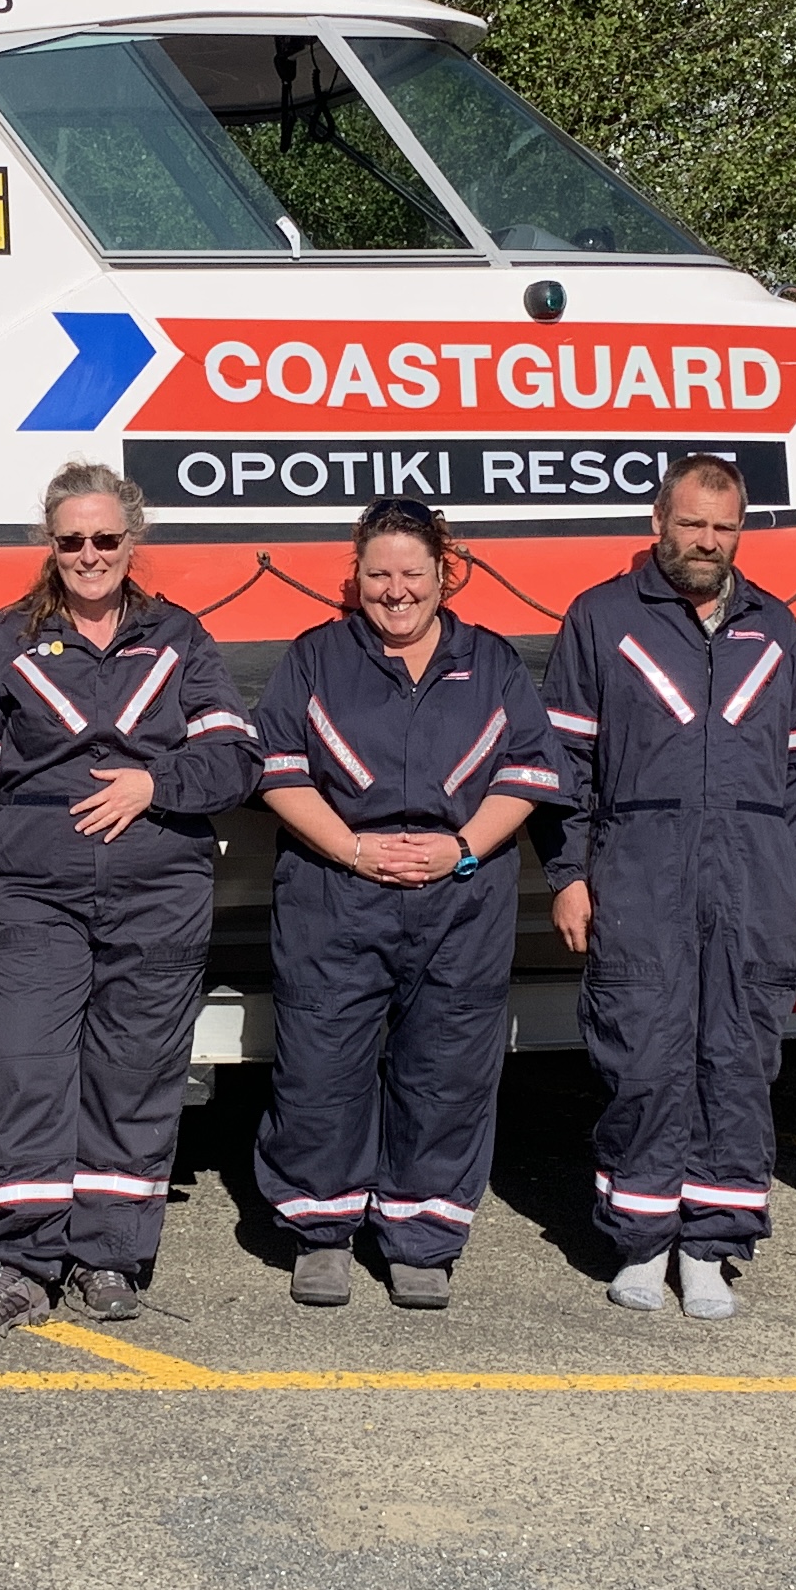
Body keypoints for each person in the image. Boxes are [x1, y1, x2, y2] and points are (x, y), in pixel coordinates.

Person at [0, 466, 259, 1340]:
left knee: (137, 1075)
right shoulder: (2, 641)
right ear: (49, 542)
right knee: (29, 1070)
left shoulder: (179, 638)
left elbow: (237, 761)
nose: (89, 554)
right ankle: (17, 1262)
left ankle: (110, 1254)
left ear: (132, 542)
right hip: (29, 889)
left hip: (157, 888)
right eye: (72, 539)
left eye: (106, 538)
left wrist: (154, 783)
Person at [251, 500, 563, 1311]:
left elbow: (528, 773)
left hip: (460, 893)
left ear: (443, 574)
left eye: (412, 575)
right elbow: (279, 771)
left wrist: (461, 848)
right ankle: (321, 1233)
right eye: (379, 574)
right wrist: (352, 847)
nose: (396, 592)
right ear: (355, 577)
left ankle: (422, 1237)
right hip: (336, 887)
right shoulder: (317, 657)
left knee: (447, 1069)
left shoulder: (489, 662)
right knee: (323, 1067)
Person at [545, 457, 796, 1322]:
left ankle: (711, 1241)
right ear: (659, 520)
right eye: (693, 523)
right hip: (639, 868)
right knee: (643, 1054)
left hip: (752, 876)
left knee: (739, 1060)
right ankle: (642, 1237)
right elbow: (565, 766)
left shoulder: (773, 628)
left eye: (725, 527)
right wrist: (568, 874)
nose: (708, 541)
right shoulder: (601, 619)